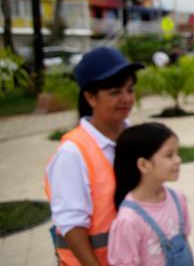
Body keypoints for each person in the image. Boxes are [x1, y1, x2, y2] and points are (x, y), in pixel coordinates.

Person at [45, 47, 144, 266]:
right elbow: (72, 224)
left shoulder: (135, 136)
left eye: (130, 89)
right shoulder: (72, 153)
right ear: (90, 97)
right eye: (115, 92)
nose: (126, 98)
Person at [108, 123, 194, 266]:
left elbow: (186, 244)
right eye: (169, 155)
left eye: (177, 153)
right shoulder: (128, 221)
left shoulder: (178, 198)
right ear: (143, 165)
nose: (178, 160)